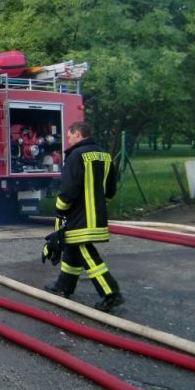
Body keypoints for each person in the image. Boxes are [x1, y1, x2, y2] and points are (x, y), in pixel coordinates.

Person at [45, 121, 124, 312]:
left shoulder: (76, 156)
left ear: (78, 134)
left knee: (85, 253)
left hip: (79, 216)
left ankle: (111, 294)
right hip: (97, 214)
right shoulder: (105, 155)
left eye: (70, 135)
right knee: (72, 249)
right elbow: (111, 190)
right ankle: (63, 286)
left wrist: (60, 209)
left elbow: (69, 190)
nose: (69, 139)